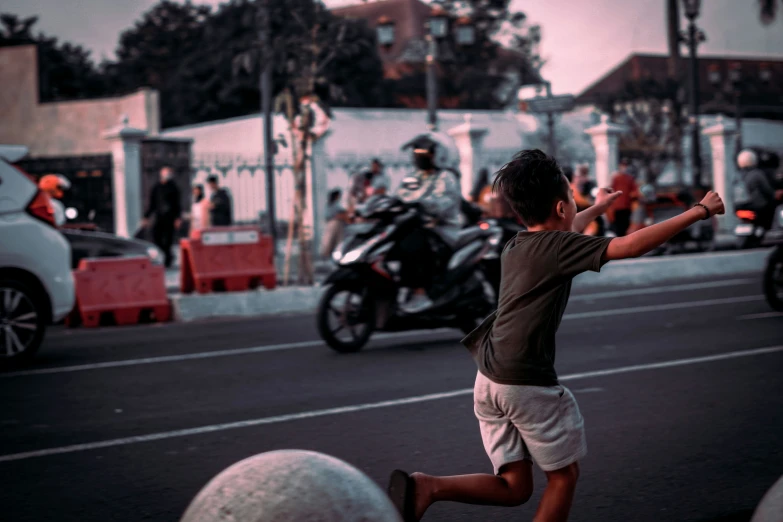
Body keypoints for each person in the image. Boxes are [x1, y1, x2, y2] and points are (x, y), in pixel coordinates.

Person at [387, 149, 725, 522]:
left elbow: (567, 229)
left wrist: (597, 208)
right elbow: (629, 245)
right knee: (564, 477)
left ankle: (428, 486)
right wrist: (699, 210)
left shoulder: (518, 244)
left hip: (488, 379)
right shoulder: (558, 248)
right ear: (562, 207)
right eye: (570, 196)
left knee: (516, 487)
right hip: (523, 381)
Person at [393, 133, 462, 313]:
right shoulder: (413, 177)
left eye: (425, 153)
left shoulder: (445, 177)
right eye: (416, 153)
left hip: (442, 230)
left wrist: (422, 204)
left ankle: (419, 292)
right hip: (416, 225)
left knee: (414, 242)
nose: (419, 157)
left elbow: (444, 204)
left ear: (437, 155)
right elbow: (400, 195)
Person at [142, 166, 181, 268]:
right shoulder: (156, 187)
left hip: (170, 218)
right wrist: (146, 217)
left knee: (168, 240)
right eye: (166, 173)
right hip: (159, 218)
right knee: (156, 238)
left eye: (169, 173)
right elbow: (152, 204)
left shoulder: (174, 187)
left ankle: (168, 260)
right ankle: (166, 256)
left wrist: (178, 218)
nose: (167, 175)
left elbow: (177, 204)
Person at [736, 149, 783, 229]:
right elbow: (768, 191)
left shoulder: (737, 176)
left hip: (739, 207)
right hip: (757, 208)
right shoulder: (757, 174)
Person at [610, 159, 638, 236]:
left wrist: (633, 196)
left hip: (626, 206)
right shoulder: (616, 178)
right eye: (623, 166)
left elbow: (635, 191)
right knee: (618, 228)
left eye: (625, 166)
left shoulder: (630, 179)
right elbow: (612, 190)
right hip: (617, 207)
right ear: (619, 166)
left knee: (625, 227)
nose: (624, 168)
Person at [320, 188, 349, 258]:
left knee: (329, 241)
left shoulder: (330, 204)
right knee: (337, 241)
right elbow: (341, 214)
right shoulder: (335, 205)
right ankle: (331, 255)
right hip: (336, 223)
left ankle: (327, 255)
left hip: (331, 224)